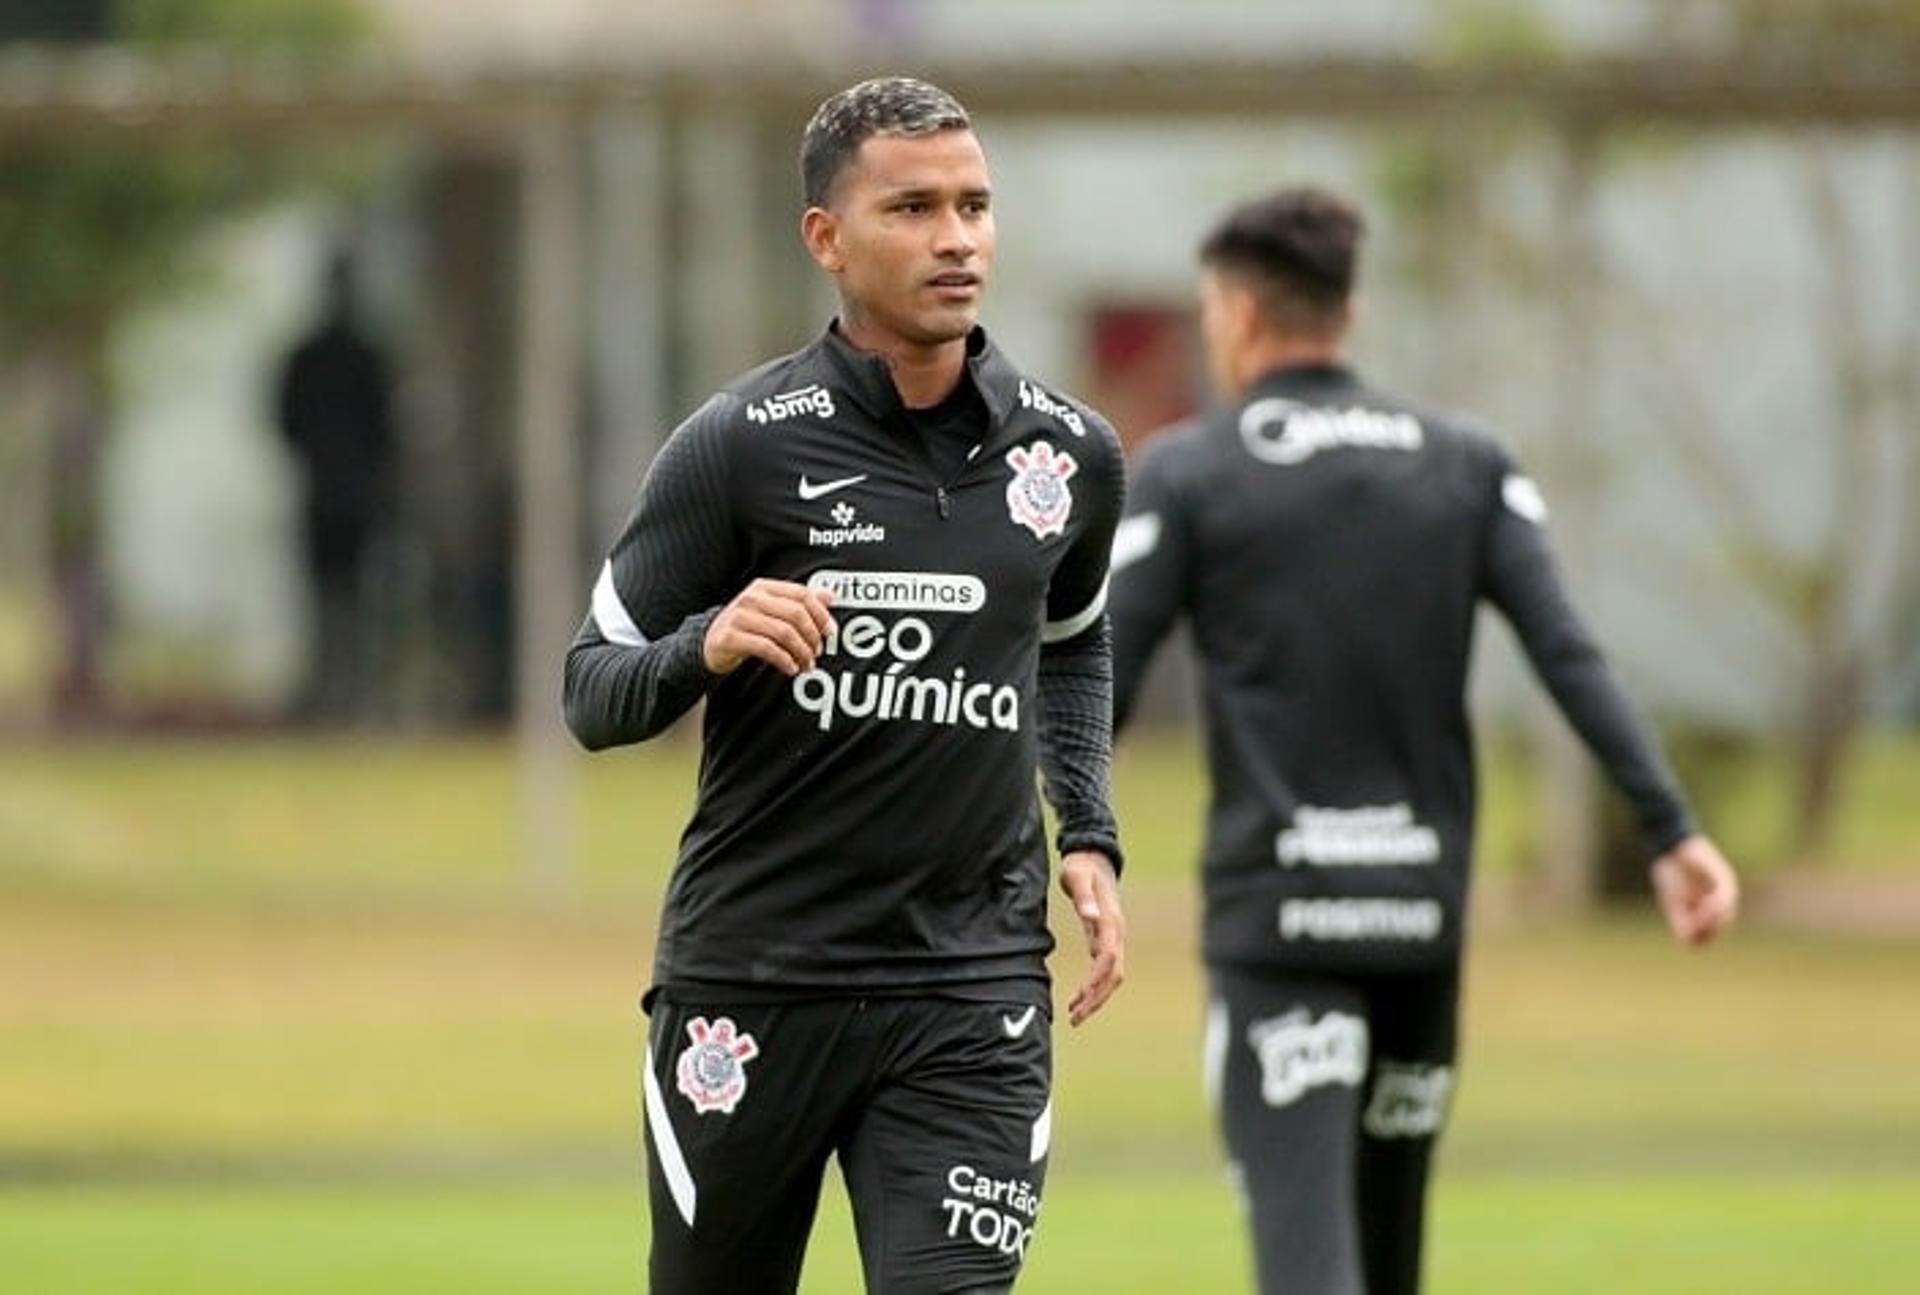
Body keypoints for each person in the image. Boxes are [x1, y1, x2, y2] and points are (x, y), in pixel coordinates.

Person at [1107, 186, 1739, 1295]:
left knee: (1309, 1266)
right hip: (1416, 925)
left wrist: (1038, 827)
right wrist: (1670, 826)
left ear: (1240, 315)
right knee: (1388, 1266)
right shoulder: (1466, 462)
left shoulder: (1191, 469)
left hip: (1280, 930)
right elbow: (1568, 651)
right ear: (1345, 315)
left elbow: (1097, 675)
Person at [563, 77, 1128, 1294]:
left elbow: (1074, 638)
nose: (957, 237)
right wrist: (703, 643)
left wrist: (1087, 825)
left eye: (975, 205)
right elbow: (590, 688)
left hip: (968, 991)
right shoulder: (741, 442)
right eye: (914, 207)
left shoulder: (1070, 453)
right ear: (826, 237)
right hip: (753, 987)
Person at [276, 250, 397, 722]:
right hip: (341, 490)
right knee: (336, 596)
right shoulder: (354, 357)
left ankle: (341, 688)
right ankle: (340, 688)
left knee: (336, 597)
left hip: (338, 490)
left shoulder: (327, 357)